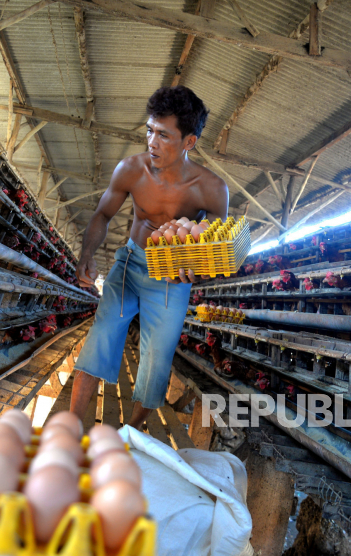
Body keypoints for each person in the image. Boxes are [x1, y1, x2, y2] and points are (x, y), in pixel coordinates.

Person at [71, 86, 229, 431]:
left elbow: (211, 251)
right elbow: (101, 215)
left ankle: (126, 434)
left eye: (163, 135)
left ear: (189, 142)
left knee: (158, 359)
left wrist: (196, 273)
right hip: (129, 264)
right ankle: (69, 426)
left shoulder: (212, 189)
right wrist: (87, 254)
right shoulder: (131, 170)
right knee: (101, 336)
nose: (151, 142)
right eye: (149, 130)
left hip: (170, 279)